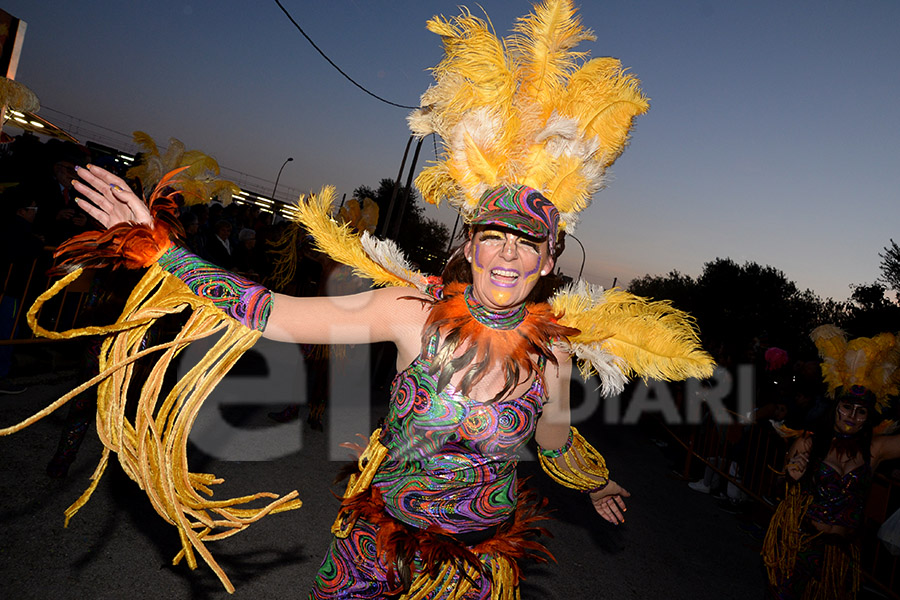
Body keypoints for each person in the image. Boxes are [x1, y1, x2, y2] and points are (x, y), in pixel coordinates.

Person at [14, 1, 714, 595]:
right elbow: (276, 315)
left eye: (526, 243)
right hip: (375, 547)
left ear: (549, 258)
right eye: (493, 236)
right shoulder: (409, 311)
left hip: (474, 574)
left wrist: (592, 482)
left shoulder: (553, 357)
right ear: (468, 245)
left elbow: (554, 440)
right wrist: (164, 251)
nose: (508, 253)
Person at [763, 326, 900, 599]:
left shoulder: (875, 450)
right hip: (803, 545)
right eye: (847, 407)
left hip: (841, 555)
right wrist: (790, 479)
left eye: (861, 412)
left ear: (868, 417)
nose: (852, 416)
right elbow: (775, 487)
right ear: (836, 407)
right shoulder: (808, 443)